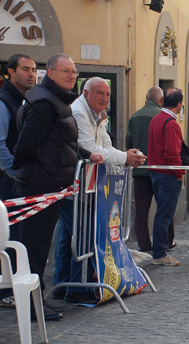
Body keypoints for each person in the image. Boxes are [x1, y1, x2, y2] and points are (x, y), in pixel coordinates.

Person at [12, 53, 103, 321]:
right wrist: (34, 171)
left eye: (74, 72)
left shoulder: (56, 100)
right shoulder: (46, 102)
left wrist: (87, 154)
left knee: (39, 249)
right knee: (34, 249)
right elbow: (26, 145)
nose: (71, 76)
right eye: (66, 72)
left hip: (50, 186)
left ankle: (35, 303)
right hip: (39, 186)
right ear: (50, 73)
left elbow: (63, 140)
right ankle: (30, 306)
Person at [52, 77, 146, 304]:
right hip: (71, 183)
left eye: (107, 94)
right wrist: (125, 157)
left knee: (71, 234)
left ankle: (63, 285)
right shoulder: (78, 112)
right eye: (99, 94)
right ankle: (73, 287)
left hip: (87, 186)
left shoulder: (99, 116)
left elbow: (105, 147)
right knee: (79, 233)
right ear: (86, 93)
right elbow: (91, 149)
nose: (104, 99)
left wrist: (125, 155)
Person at [0, 53, 36, 308]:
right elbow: (1, 144)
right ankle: (5, 291)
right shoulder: (4, 101)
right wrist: (13, 172)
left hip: (15, 178)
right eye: (25, 69)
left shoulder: (22, 100)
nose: (31, 74)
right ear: (11, 72)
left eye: (34, 69)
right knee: (7, 235)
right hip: (7, 179)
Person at [127, 87, 177, 251]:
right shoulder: (164, 117)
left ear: (146, 97)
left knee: (141, 209)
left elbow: (129, 144)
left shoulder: (134, 116)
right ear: (161, 100)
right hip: (161, 169)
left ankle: (144, 243)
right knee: (165, 208)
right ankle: (167, 241)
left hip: (140, 169)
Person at [147, 88, 185, 266]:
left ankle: (159, 250)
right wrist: (178, 174)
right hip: (167, 174)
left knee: (161, 213)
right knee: (164, 214)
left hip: (156, 172)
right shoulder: (170, 123)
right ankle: (160, 253)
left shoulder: (156, 119)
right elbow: (172, 153)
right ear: (178, 104)